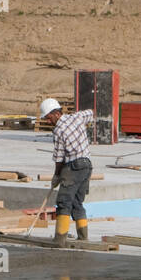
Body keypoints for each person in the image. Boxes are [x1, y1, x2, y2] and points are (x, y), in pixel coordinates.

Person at [39, 98, 94, 244]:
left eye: (49, 118)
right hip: (87, 166)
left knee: (64, 201)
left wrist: (56, 175)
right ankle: (83, 237)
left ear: (56, 113)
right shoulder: (77, 117)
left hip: (74, 166)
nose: (48, 121)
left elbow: (59, 158)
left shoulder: (59, 130)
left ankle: (60, 238)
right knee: (77, 201)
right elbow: (91, 113)